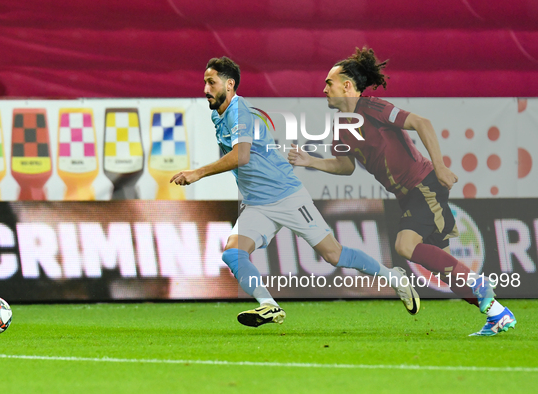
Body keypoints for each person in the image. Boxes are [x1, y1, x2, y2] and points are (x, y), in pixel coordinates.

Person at [170, 56, 420, 328]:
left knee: (333, 255)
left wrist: (197, 173)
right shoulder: (219, 115)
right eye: (204, 82)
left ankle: (394, 278)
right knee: (233, 253)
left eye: (211, 82)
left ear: (229, 85)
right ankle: (268, 305)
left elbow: (241, 156)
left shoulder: (238, 111)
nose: (205, 89)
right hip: (257, 204)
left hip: (286, 196)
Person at [288, 47, 516, 336]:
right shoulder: (342, 126)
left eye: (328, 83)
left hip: (424, 185)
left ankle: (480, 286)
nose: (323, 89)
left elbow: (422, 123)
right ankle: (497, 314)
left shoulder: (373, 108)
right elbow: (345, 166)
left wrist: (442, 168)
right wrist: (311, 161)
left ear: (347, 86)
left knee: (404, 246)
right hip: (408, 195)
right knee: (446, 269)